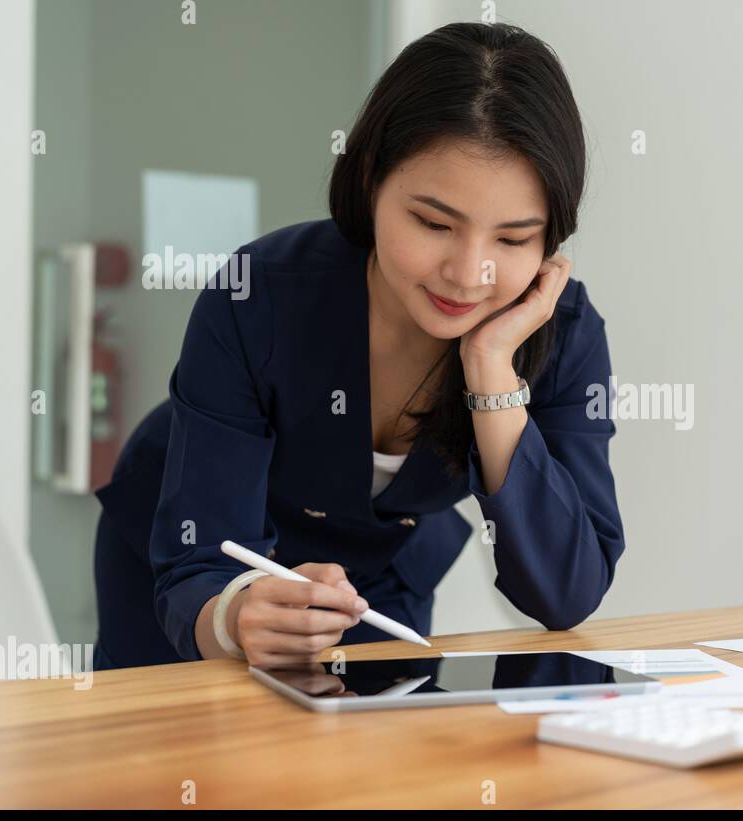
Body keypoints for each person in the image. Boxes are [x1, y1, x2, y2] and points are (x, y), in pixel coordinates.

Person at [92, 22, 624, 670]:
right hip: (193, 571)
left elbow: (567, 593)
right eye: (433, 223)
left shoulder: (560, 334)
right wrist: (234, 617)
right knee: (171, 767)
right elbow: (200, 556)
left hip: (374, 587)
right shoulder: (257, 294)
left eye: (512, 240)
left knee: (367, 768)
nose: (468, 273)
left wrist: (491, 375)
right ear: (371, 178)